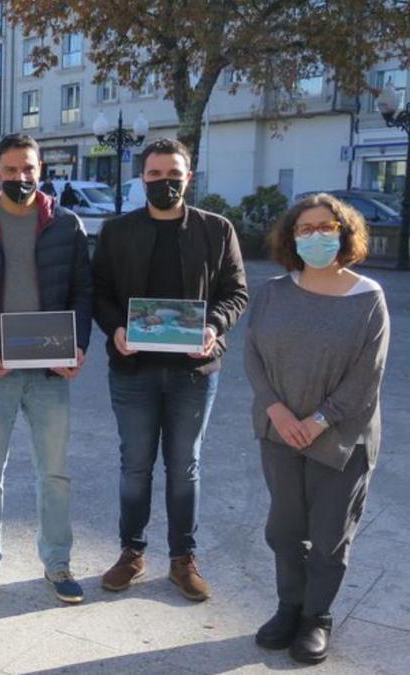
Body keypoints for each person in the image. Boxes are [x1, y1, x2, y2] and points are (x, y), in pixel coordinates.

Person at [91, 138, 247, 602]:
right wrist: (116, 326)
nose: (165, 183)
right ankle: (131, 553)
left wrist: (213, 328)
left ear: (189, 177)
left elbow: (236, 293)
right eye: (155, 175)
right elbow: (97, 290)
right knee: (135, 467)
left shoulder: (217, 230)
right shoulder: (118, 232)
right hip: (133, 369)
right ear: (143, 179)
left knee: (185, 468)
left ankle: (183, 559)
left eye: (173, 174)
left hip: (194, 373)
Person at [0, 133, 93, 605]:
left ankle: (58, 562)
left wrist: (78, 346)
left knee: (55, 472)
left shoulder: (68, 225)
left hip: (50, 371)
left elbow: (83, 293)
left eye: (27, 169)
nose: (20, 178)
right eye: (10, 170)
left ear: (41, 169)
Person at [246, 194, 389, 665]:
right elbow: (253, 357)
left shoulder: (368, 298)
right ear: (291, 238)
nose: (315, 236)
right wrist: (279, 413)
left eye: (325, 227)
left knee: (329, 535)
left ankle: (316, 616)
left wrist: (319, 419)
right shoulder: (271, 292)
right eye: (304, 229)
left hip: (342, 438)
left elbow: (368, 375)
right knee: (285, 529)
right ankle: (289, 606)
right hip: (280, 433)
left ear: (344, 232)